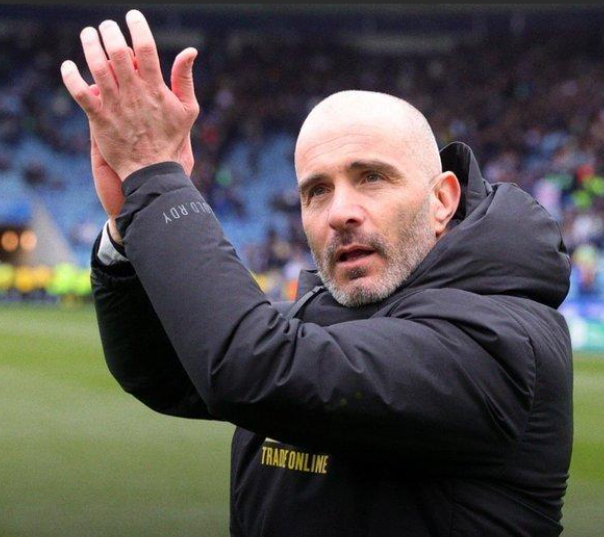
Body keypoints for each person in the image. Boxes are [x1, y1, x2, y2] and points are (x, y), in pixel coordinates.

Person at [62, 11, 573, 537]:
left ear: (442, 199)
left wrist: (156, 180)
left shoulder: (499, 343)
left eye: (371, 177)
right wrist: (130, 221)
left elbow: (250, 365)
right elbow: (161, 368)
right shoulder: (328, 317)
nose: (339, 212)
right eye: (317, 191)